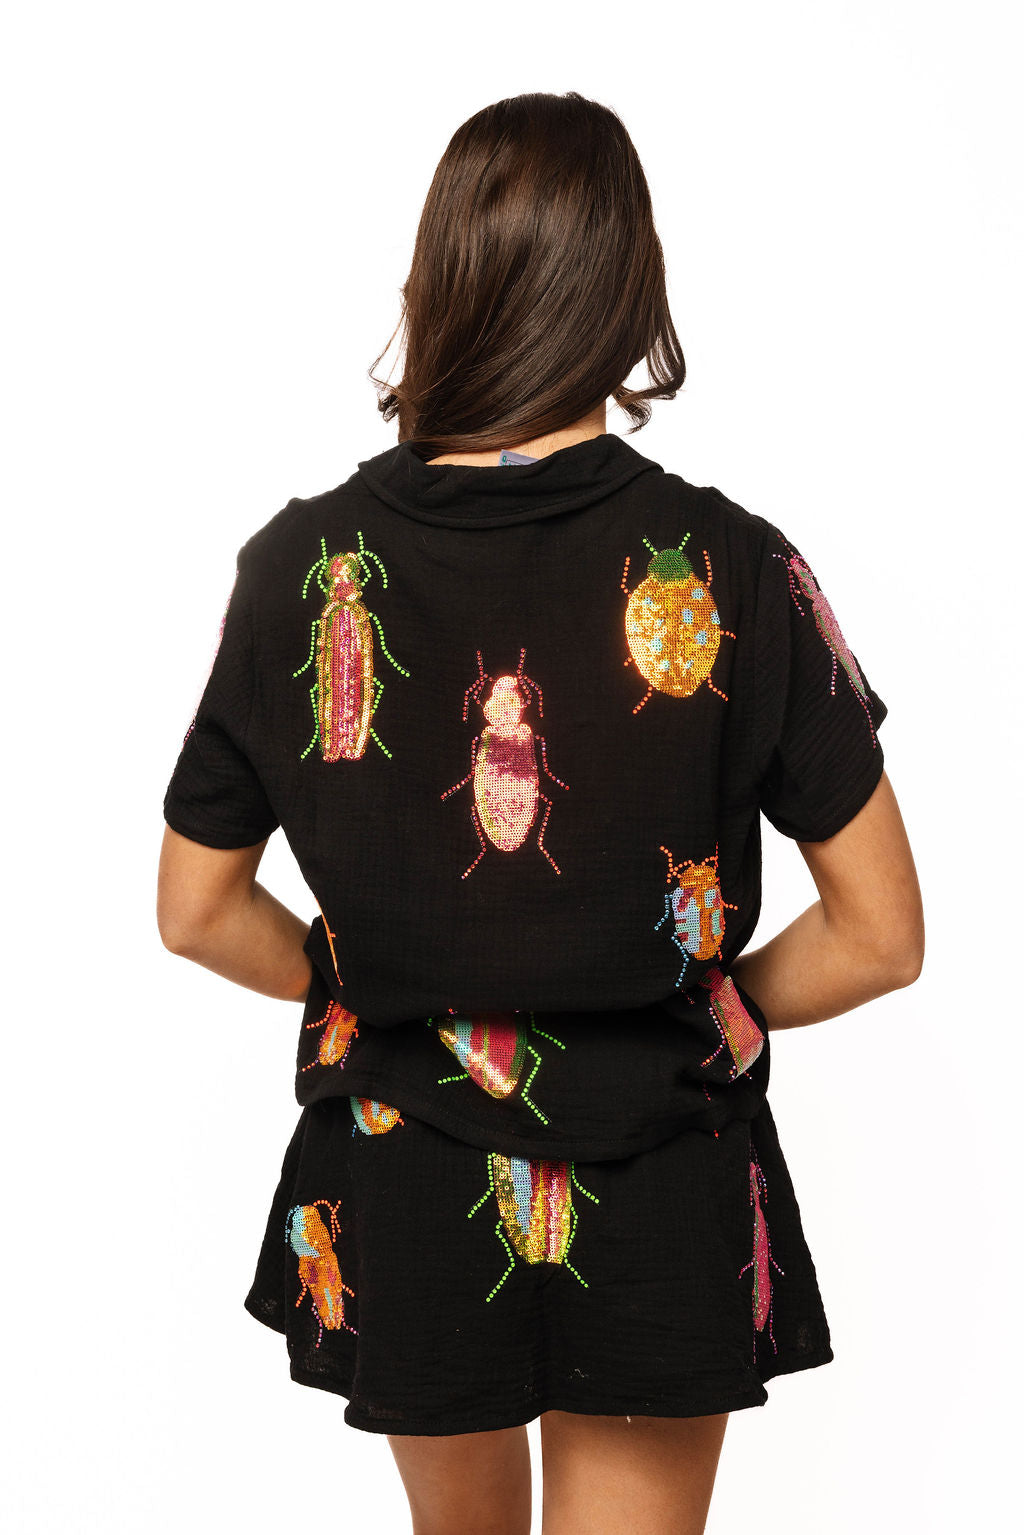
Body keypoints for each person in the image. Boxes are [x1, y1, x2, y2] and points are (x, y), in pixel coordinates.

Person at [157, 91, 924, 1535]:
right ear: (631, 295)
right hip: (662, 1165)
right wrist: (705, 1002)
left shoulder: (293, 568)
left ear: (434, 283)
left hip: (405, 1162)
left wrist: (362, 980)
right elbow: (883, 935)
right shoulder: (736, 564)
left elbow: (193, 909)